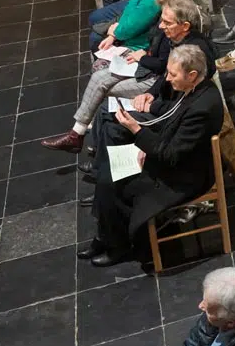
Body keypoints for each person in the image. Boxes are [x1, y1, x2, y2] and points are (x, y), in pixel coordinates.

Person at [79, 44, 224, 266]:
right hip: (175, 157)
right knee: (108, 172)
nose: (167, 79)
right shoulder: (194, 89)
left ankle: (119, 246)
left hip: (186, 175)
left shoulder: (202, 106)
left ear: (192, 75)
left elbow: (171, 156)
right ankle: (106, 236)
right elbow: (171, 121)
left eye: (173, 74)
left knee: (111, 181)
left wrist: (137, 131)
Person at [44, 0, 205, 153]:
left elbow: (167, 73)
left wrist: (149, 88)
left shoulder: (187, 45)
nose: (161, 25)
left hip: (153, 76)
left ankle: (92, 143)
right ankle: (78, 133)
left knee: (105, 93)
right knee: (99, 77)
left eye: (167, 22)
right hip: (148, 68)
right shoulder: (167, 27)